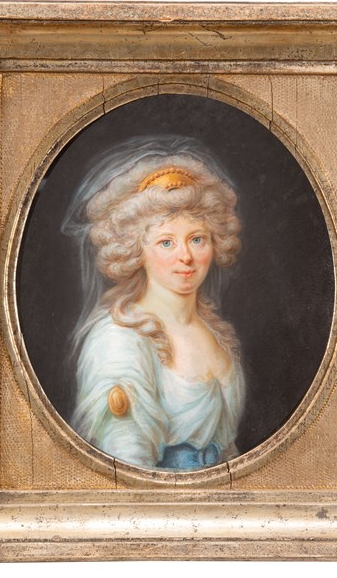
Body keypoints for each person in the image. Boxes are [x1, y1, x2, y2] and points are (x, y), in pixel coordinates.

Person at [62, 135, 244, 470]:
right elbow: (127, 464)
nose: (186, 256)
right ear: (136, 251)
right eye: (166, 243)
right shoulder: (119, 339)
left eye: (197, 239)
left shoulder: (215, 331)